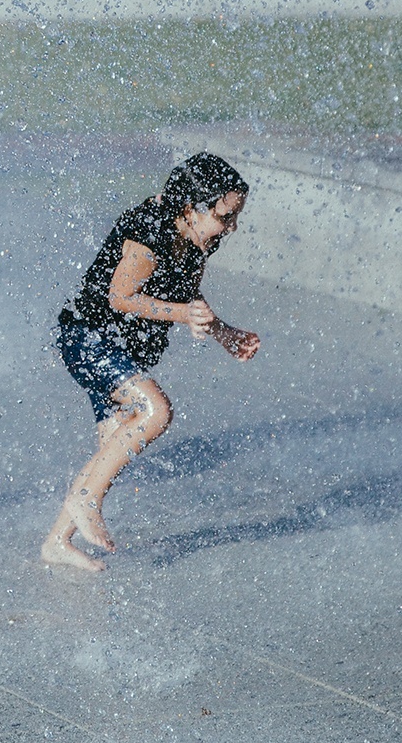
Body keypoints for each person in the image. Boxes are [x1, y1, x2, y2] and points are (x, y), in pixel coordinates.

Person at [42, 154, 261, 571]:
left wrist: (224, 334)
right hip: (87, 338)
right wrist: (182, 316)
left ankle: (56, 542)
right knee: (154, 411)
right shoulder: (151, 229)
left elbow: (187, 298)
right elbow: (120, 296)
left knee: (115, 443)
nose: (231, 226)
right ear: (193, 205)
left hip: (117, 349)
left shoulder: (199, 237)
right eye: (225, 215)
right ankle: (85, 500)